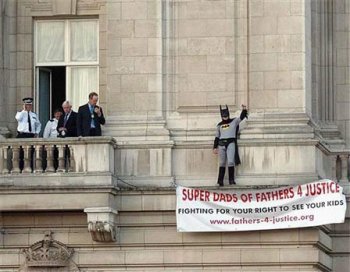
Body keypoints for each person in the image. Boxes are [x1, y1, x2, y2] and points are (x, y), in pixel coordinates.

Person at [213, 104, 248, 186]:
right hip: (221, 144)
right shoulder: (219, 125)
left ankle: (231, 181)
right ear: (221, 116)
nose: (225, 117)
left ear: (228, 114)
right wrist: (215, 147)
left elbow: (241, 118)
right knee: (222, 163)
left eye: (226, 115)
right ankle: (220, 181)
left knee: (231, 162)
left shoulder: (234, 121)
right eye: (223, 116)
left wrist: (244, 109)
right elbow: (217, 137)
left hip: (230, 143)